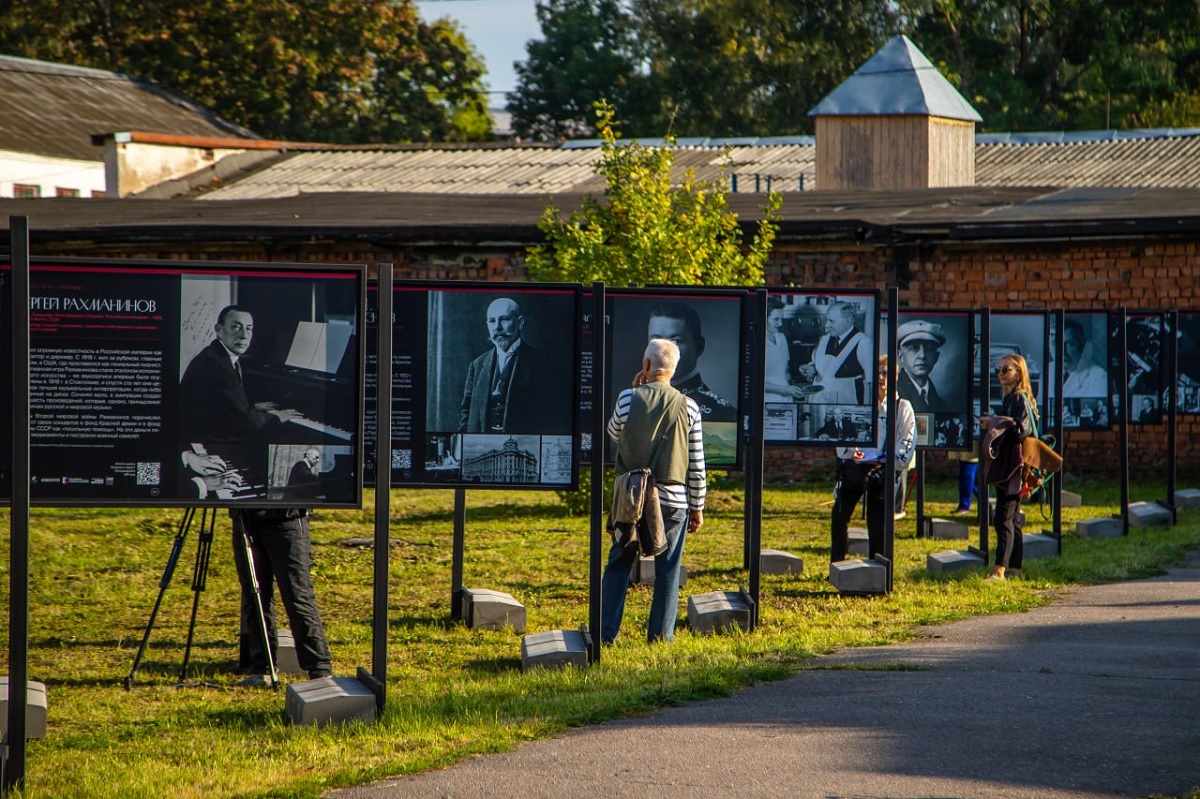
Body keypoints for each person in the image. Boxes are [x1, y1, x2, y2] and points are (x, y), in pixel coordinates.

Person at [601, 338, 706, 644]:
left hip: (632, 498)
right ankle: (661, 638)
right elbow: (696, 464)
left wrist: (634, 392)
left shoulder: (626, 398)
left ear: (646, 365)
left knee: (619, 564)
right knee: (668, 570)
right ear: (674, 370)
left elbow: (613, 434)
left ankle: (606, 634)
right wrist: (697, 506)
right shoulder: (690, 407)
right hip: (672, 500)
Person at [230, 507, 332, 685]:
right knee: (254, 598)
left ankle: (319, 670)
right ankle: (261, 668)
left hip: (287, 518)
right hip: (246, 519)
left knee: (297, 597)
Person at [830, 357, 916, 563]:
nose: (881, 378)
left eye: (886, 373)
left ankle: (877, 568)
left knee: (877, 524)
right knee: (838, 517)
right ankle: (837, 564)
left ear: (895, 377)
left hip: (882, 472)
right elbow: (843, 439)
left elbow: (907, 444)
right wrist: (853, 453)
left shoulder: (903, 407)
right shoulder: (860, 404)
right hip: (856, 469)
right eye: (877, 373)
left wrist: (883, 459)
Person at [179, 305, 299, 443]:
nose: (244, 336)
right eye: (236, 327)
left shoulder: (218, 354)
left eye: (249, 328)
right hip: (201, 437)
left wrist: (251, 406)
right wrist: (278, 417)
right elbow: (245, 421)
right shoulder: (216, 363)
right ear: (219, 330)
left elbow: (221, 403)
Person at [459, 297, 566, 434]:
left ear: (520, 322)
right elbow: (466, 412)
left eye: (504, 319)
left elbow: (550, 416)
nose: (497, 327)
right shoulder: (477, 365)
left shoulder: (542, 363)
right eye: (492, 321)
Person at [981, 354, 1038, 580]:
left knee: (1003, 516)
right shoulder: (1011, 398)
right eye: (998, 370)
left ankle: (999, 570)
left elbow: (1021, 430)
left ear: (1019, 373)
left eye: (1006, 370)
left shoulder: (1019, 399)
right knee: (1012, 519)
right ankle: (1015, 567)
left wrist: (995, 423)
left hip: (1015, 467)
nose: (1001, 374)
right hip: (1009, 465)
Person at [647, 302, 737, 422]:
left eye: (675, 341)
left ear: (699, 347)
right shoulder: (634, 402)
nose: (663, 351)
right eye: (656, 341)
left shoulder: (722, 414)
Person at [800, 302, 872, 405]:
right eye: (827, 320)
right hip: (819, 402)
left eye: (831, 321)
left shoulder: (863, 342)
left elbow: (871, 383)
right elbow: (817, 364)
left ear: (848, 321)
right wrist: (811, 369)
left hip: (846, 404)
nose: (826, 325)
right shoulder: (824, 339)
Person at [895, 319, 952, 412]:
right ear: (901, 356)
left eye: (929, 349)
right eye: (914, 348)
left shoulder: (942, 405)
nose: (922, 355)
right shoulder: (891, 393)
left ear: (936, 357)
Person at [764, 299, 806, 402]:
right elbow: (755, 381)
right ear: (763, 318)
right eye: (776, 319)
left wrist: (795, 389)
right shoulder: (756, 341)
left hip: (787, 398)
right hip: (768, 400)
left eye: (781, 319)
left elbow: (786, 370)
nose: (780, 324)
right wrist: (783, 390)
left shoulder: (781, 337)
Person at [1062, 318, 1107, 397]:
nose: (1063, 351)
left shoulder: (1099, 378)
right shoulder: (1049, 371)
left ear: (1082, 345)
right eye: (1059, 344)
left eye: (1070, 344)